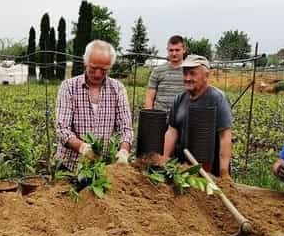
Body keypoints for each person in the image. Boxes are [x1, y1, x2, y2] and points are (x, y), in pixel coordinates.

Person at [55, 40, 134, 171]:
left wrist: (124, 151)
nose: (98, 74)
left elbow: (125, 128)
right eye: (93, 68)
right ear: (85, 61)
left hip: (103, 167)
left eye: (104, 70)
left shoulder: (117, 88)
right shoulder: (69, 87)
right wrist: (82, 147)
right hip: (70, 166)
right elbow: (62, 128)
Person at [159, 54, 233, 178]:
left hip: (210, 171)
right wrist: (164, 161)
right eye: (185, 73)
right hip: (184, 168)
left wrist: (224, 173)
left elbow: (225, 136)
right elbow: (172, 131)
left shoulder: (217, 98)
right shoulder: (180, 99)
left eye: (192, 73)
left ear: (206, 76)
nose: (187, 78)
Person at [143, 35, 186, 113]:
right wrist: (149, 118)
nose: (174, 53)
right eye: (171, 50)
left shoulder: (189, 71)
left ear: (184, 50)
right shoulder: (157, 71)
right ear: (167, 50)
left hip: (182, 118)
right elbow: (149, 98)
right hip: (160, 118)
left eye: (177, 50)